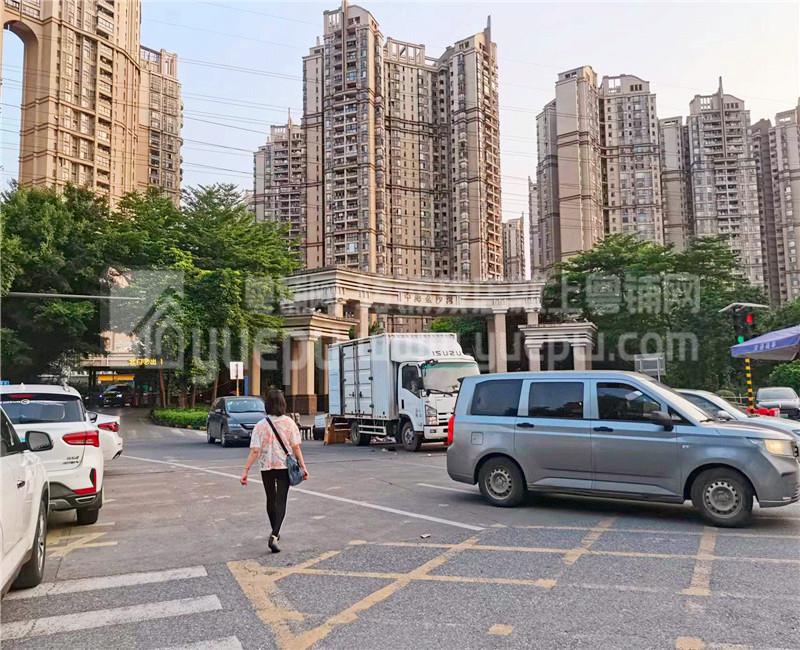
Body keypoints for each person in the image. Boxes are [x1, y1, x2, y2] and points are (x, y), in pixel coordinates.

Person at [241, 388, 308, 553]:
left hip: (266, 467)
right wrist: (303, 466)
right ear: (282, 404)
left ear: (267, 405)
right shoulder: (289, 423)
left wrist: (245, 471)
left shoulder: (260, 425)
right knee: (281, 501)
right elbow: (296, 447)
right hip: (283, 466)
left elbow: (255, 451)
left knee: (270, 499)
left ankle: (274, 531)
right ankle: (275, 534)